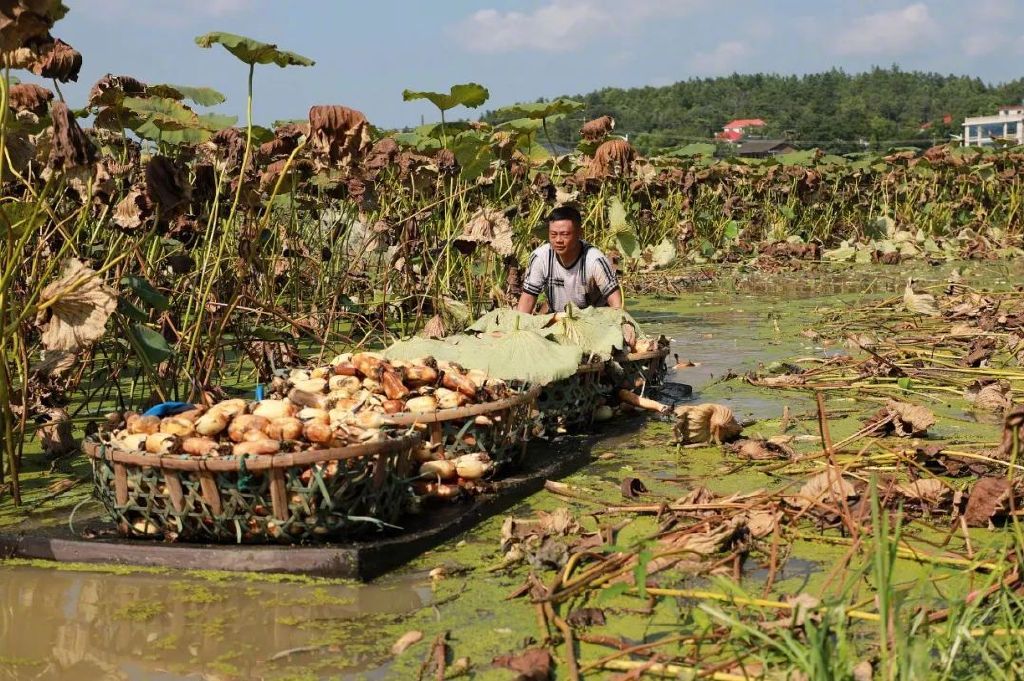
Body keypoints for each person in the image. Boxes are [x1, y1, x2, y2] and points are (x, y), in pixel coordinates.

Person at [516, 205, 623, 314]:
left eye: (565, 234)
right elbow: (528, 298)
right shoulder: (540, 257)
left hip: (594, 320)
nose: (558, 240)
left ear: (579, 233)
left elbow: (618, 306)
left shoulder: (595, 260)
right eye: (553, 234)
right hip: (557, 318)